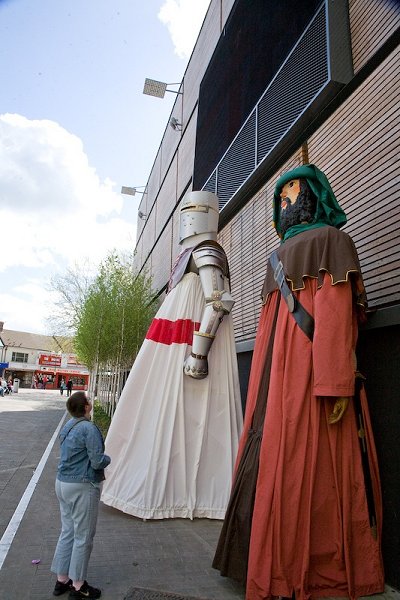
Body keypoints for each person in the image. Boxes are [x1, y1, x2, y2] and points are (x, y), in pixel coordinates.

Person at [213, 165, 384, 599]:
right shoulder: (329, 243)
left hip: (283, 380)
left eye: (293, 196)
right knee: (313, 472)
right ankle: (300, 567)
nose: (287, 205)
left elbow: (330, 316)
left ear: (314, 196)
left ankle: (269, 563)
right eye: (281, 199)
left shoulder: (315, 246)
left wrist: (331, 383)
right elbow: (332, 319)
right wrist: (335, 384)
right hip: (301, 380)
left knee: (280, 464)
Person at [101, 190, 243, 519]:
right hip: (174, 344)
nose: (187, 217)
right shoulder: (188, 256)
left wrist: (198, 353)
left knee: (191, 418)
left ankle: (193, 494)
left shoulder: (207, 251)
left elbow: (219, 301)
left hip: (191, 346)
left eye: (194, 209)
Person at [51, 391, 110, 599]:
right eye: (88, 400)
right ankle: (78, 586)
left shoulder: (68, 426)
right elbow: (96, 461)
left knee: (67, 531)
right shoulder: (89, 428)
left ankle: (62, 580)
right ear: (85, 407)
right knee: (83, 536)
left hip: (62, 483)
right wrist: (108, 459)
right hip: (82, 485)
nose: (90, 402)